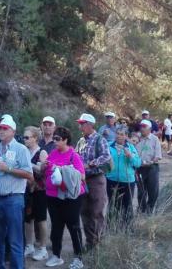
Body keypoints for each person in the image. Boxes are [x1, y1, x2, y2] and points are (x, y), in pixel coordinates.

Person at [0, 115, 33, 269]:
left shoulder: (21, 149)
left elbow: (29, 175)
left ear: (13, 131)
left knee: (15, 240)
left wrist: (8, 169)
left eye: (4, 128)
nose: (1, 131)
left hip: (14, 199)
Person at [40, 126, 85, 269]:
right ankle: (56, 255)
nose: (54, 141)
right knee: (56, 226)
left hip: (71, 197)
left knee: (73, 226)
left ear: (66, 140)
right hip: (52, 196)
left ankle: (78, 258)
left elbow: (82, 176)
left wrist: (61, 170)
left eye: (57, 139)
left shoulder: (74, 155)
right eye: (54, 138)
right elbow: (45, 173)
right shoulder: (52, 154)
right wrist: (44, 166)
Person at [77, 113, 110, 250]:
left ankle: (98, 243)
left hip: (96, 180)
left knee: (96, 212)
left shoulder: (99, 139)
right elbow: (75, 156)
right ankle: (90, 243)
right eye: (80, 123)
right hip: (83, 180)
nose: (80, 126)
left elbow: (106, 156)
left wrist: (90, 164)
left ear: (90, 125)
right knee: (84, 212)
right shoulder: (80, 141)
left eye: (82, 123)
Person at [22, 127, 48, 262]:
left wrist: (30, 165)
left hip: (40, 191)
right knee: (28, 219)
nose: (24, 140)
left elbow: (44, 170)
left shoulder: (41, 152)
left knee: (41, 219)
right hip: (26, 190)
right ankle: (29, 245)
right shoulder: (24, 151)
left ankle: (43, 248)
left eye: (27, 137)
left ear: (35, 138)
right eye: (24, 137)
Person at [105, 127, 140, 227]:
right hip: (111, 180)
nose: (119, 136)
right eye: (118, 133)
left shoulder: (131, 147)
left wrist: (130, 156)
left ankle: (127, 229)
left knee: (127, 205)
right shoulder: (108, 146)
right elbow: (102, 161)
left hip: (127, 181)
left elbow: (138, 163)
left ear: (126, 136)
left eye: (122, 134)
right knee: (112, 204)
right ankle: (111, 227)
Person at [135, 121, 161, 214]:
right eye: (141, 126)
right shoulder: (136, 138)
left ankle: (150, 209)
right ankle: (142, 210)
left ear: (149, 129)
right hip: (139, 168)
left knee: (153, 190)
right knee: (141, 191)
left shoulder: (155, 139)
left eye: (144, 127)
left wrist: (152, 161)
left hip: (152, 167)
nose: (142, 128)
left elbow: (158, 155)